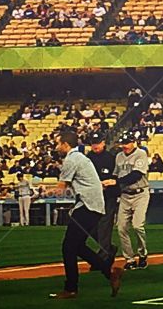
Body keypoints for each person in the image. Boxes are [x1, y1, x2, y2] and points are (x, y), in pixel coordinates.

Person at [50, 127, 123, 300]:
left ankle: (71, 288)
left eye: (58, 144)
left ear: (66, 145)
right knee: (77, 246)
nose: (56, 147)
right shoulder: (80, 157)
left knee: (68, 247)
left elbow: (61, 188)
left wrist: (42, 191)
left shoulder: (72, 159)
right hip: (94, 206)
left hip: (87, 206)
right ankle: (109, 272)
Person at [115, 132, 150, 270]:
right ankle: (129, 259)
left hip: (140, 193)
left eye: (127, 143)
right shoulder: (119, 156)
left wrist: (116, 182)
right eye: (123, 143)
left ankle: (142, 254)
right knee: (121, 227)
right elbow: (115, 173)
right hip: (125, 195)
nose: (125, 146)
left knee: (137, 226)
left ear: (133, 142)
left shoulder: (141, 154)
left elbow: (136, 175)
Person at [85, 132, 119, 262]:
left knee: (105, 225)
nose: (95, 146)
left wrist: (109, 183)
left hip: (107, 196)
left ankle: (103, 256)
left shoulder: (111, 158)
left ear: (103, 142)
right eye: (93, 143)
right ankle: (108, 248)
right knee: (90, 226)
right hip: (91, 197)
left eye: (98, 143)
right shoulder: (87, 159)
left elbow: (116, 177)